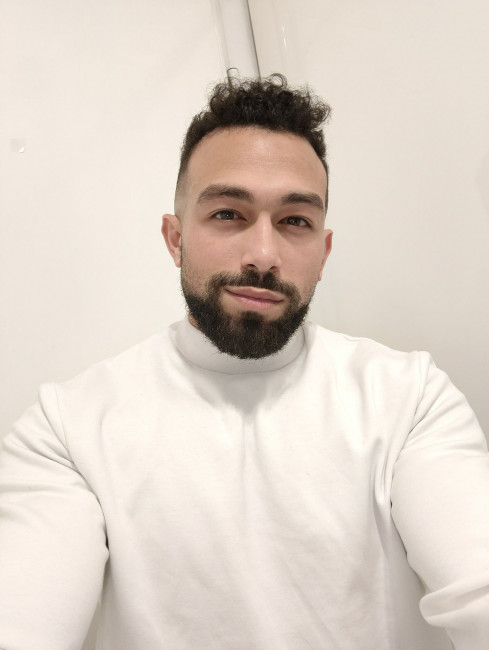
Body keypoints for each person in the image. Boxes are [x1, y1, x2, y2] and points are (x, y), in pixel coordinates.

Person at [0, 74, 488, 650]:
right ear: (175, 238)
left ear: (323, 251)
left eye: (295, 220)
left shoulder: (410, 399)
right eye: (229, 214)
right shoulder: (67, 430)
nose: (262, 255)